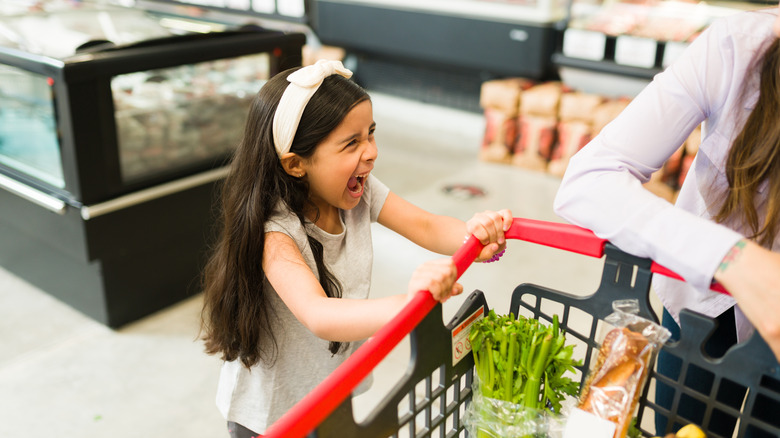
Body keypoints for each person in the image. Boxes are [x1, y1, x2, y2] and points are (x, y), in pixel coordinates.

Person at [198, 59, 513, 437]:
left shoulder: (359, 192)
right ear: (296, 164)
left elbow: (426, 225)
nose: (371, 152)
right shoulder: (276, 234)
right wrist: (410, 302)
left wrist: (476, 236)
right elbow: (320, 315)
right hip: (271, 415)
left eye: (371, 133)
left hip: (328, 393)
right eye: (351, 143)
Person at [553, 5, 780, 435]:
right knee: (684, 426)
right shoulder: (737, 47)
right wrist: (731, 258)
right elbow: (589, 180)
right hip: (704, 306)